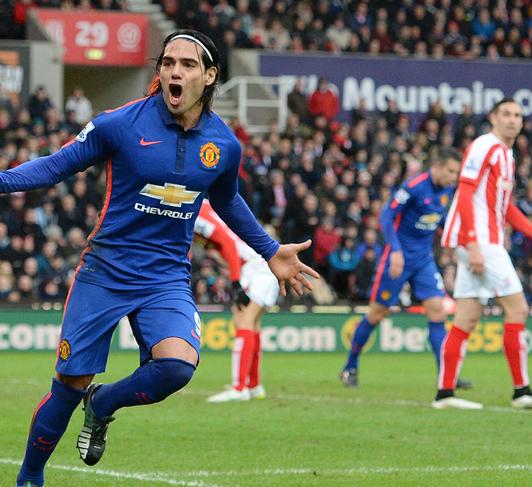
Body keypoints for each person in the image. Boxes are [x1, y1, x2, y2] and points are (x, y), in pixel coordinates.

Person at [11, 29, 317, 487]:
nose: (175, 71)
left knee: (175, 366)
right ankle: (30, 477)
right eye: (168, 62)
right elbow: (56, 165)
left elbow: (228, 201)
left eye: (188, 65)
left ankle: (104, 404)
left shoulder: (224, 145)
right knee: (68, 384)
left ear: (210, 76)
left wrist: (271, 251)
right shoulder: (119, 123)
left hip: (165, 277)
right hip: (105, 271)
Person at [435, 98, 532, 411]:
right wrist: (473, 242)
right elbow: (464, 191)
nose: (513, 120)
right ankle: (522, 392)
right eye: (506, 114)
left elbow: (507, 210)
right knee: (517, 309)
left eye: (518, 115)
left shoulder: (506, 154)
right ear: (493, 118)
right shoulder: (485, 146)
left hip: (476, 241)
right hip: (479, 241)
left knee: (467, 316)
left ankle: (444, 395)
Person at [340, 148, 471, 388]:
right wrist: (396, 250)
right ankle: (350, 366)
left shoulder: (446, 190)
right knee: (377, 313)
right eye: (451, 171)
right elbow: (386, 216)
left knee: (438, 312)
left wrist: (452, 239)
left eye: (457, 172)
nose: (454, 177)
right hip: (397, 259)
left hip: (423, 259)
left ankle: (446, 376)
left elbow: (437, 219)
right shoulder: (413, 186)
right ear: (438, 166)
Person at [194, 200, 279, 402]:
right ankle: (253, 385)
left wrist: (235, 282)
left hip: (253, 266)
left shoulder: (197, 213)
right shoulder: (206, 206)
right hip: (257, 262)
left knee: (244, 320)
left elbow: (229, 243)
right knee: (253, 323)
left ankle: (239, 387)